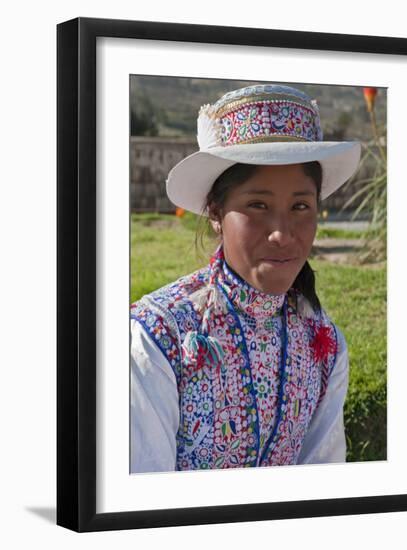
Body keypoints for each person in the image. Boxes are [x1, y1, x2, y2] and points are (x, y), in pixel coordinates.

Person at [130, 83, 361, 473]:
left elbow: (323, 476)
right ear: (217, 213)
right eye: (258, 205)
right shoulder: (157, 339)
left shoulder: (324, 345)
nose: (282, 233)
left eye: (301, 206)